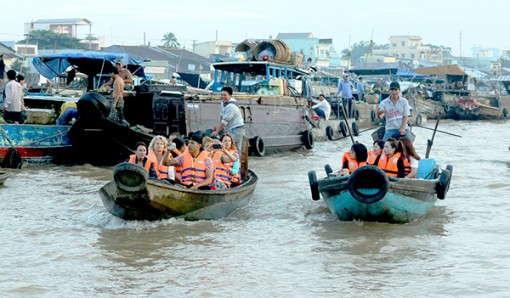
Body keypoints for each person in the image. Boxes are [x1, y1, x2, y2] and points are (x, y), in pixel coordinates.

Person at [210, 86, 245, 153]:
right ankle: (235, 161)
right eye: (222, 95)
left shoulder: (231, 106)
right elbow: (222, 116)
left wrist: (217, 132)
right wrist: (218, 127)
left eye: (225, 95)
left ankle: (234, 162)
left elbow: (225, 121)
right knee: (234, 148)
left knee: (228, 145)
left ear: (230, 96)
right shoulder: (223, 103)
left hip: (236, 130)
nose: (223, 97)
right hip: (230, 129)